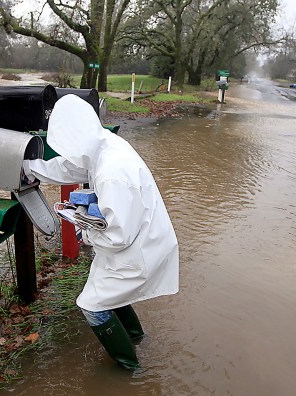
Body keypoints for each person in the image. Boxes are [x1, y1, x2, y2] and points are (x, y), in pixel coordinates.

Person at [22, 94, 179, 370]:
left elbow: (118, 235)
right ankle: (135, 337)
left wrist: (84, 231)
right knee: (108, 294)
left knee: (92, 305)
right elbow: (71, 167)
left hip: (136, 249)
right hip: (137, 238)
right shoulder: (102, 145)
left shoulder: (112, 172)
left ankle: (129, 366)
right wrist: (31, 169)